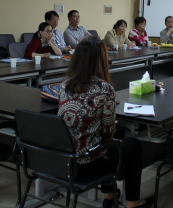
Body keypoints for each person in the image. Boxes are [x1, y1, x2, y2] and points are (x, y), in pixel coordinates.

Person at [58, 37, 153, 208]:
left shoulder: (65, 84)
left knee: (105, 141)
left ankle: (110, 195)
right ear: (101, 60)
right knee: (132, 145)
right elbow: (108, 132)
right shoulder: (105, 88)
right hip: (86, 163)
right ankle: (132, 202)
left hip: (63, 159)